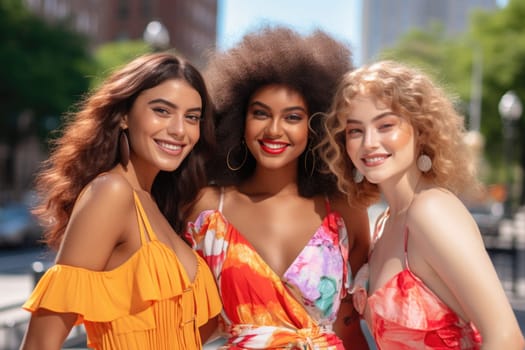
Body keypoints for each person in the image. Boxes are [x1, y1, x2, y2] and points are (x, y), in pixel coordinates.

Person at [184, 26, 371, 349]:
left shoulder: (343, 211)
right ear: (238, 120)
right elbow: (187, 324)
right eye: (260, 114)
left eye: (292, 117)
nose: (274, 130)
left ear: (316, 127)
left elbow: (350, 326)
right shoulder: (209, 209)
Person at [20, 52, 222, 350]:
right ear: (125, 115)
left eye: (191, 117)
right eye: (162, 111)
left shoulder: (158, 205)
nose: (179, 129)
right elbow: (39, 345)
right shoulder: (110, 192)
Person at [320, 60, 525, 349]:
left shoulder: (430, 211)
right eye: (355, 131)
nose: (369, 142)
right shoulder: (386, 222)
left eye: (385, 125)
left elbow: (507, 339)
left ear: (422, 130)